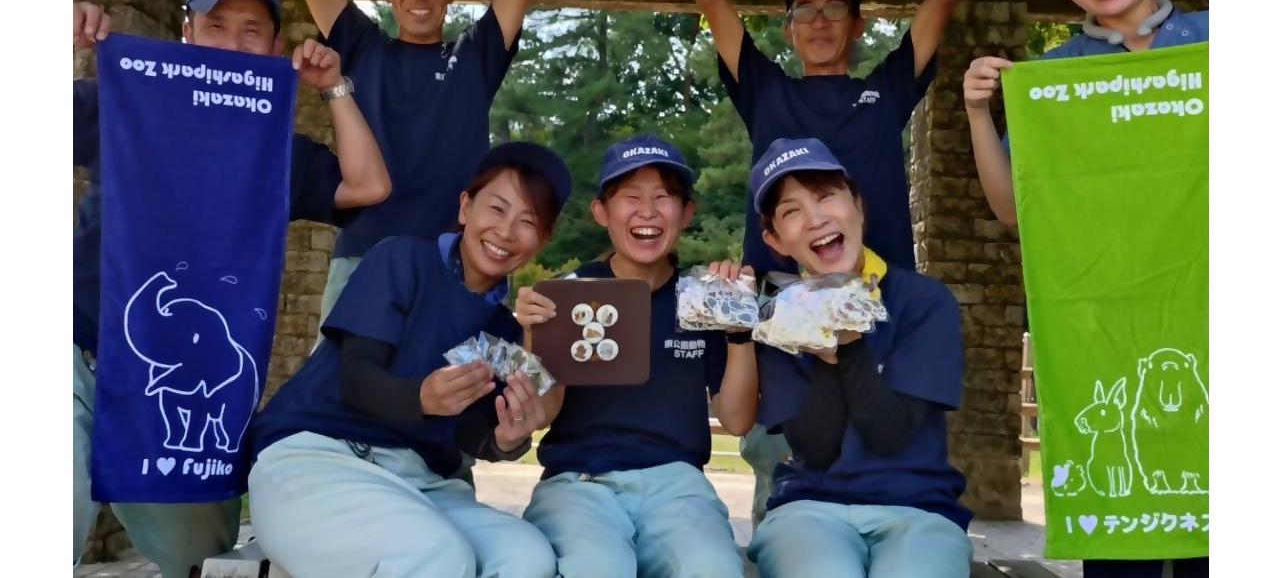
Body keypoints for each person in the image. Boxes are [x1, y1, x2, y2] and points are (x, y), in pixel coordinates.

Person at [634, 0, 1033, 520]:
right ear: (787, 28)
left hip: (879, 302)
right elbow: (712, 2)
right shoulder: (765, 92)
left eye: (835, 9)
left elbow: (940, 0)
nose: (819, 22)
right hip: (783, 307)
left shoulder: (887, 89)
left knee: (888, 443)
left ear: (857, 24)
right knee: (785, 461)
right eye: (804, 12)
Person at [202, 0, 611, 327]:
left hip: (457, 262)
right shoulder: (358, 44)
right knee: (336, 404)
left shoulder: (476, 55)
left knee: (455, 399)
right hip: (363, 257)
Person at [72, 0, 392, 578]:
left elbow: (368, 185)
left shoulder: (278, 153)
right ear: (188, 33)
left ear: (275, 49)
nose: (234, 43)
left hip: (188, 377)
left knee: (201, 553)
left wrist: (333, 85)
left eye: (253, 31)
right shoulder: (126, 103)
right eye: (218, 26)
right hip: (76, 348)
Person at [964, 0, 1209, 578]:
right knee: (1120, 545)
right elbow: (1013, 212)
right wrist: (982, 112)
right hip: (1103, 338)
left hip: (1215, 318)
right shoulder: (1056, 76)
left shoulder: (1222, 44)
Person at [246, 142, 571, 578]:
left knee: (526, 558)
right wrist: (420, 397)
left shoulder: (505, 331)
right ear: (465, 207)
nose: (506, 232)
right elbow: (357, 378)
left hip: (419, 481)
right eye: (496, 208)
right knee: (437, 556)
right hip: (317, 457)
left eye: (528, 222)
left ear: (542, 240)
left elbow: (472, 433)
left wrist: (507, 439)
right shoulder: (401, 258)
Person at [514, 135, 758, 578]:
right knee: (598, 568)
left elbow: (737, 421)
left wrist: (739, 326)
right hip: (578, 482)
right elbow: (544, 413)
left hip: (678, 486)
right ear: (601, 213)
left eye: (663, 197)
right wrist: (535, 336)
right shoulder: (570, 294)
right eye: (630, 197)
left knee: (714, 569)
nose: (647, 211)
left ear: (686, 213)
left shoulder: (703, 298)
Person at [743, 137, 971, 578]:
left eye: (826, 195)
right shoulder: (778, 315)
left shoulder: (923, 302)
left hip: (919, 511)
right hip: (808, 511)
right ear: (775, 240)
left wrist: (847, 344)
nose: (816, 218)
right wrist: (825, 350)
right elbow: (816, 448)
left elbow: (890, 434)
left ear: (857, 206)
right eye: (792, 211)